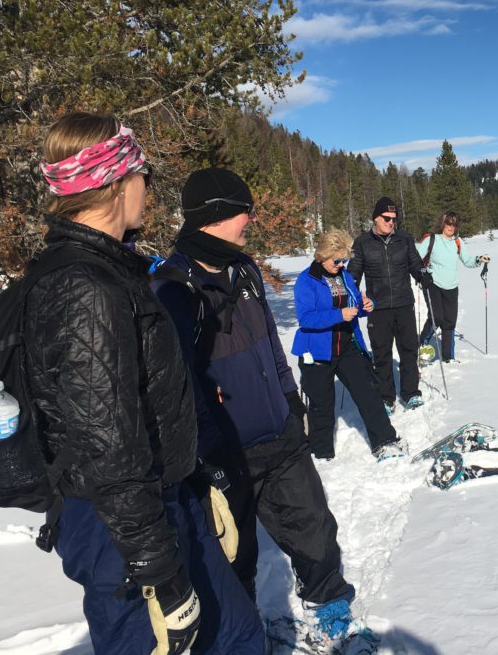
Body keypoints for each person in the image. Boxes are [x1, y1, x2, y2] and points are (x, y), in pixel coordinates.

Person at [27, 114, 266, 654]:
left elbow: (146, 404)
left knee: (240, 637)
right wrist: (157, 567)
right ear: (115, 181)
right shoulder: (86, 289)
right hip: (123, 535)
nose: (149, 188)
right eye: (144, 173)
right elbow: (104, 446)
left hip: (161, 504)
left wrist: (197, 482)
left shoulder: (112, 272)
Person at [153, 168, 362, 646]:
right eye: (244, 209)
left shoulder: (243, 268)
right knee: (233, 554)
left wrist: (291, 400)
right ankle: (243, 631)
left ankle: (327, 601)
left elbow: (269, 340)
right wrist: (209, 453)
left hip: (279, 431)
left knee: (312, 523)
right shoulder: (173, 287)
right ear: (216, 214)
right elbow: (180, 382)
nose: (251, 217)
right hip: (225, 450)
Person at [293, 229, 404, 460]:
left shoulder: (345, 276)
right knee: (321, 405)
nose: (342, 264)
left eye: (345, 260)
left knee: (368, 394)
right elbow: (306, 319)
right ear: (323, 255)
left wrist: (367, 305)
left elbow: (356, 305)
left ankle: (385, 441)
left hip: (347, 345)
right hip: (317, 351)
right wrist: (338, 315)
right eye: (337, 260)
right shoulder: (306, 280)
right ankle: (321, 453)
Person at [347, 197, 427, 412]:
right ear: (376, 217)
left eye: (394, 219)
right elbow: (352, 274)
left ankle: (411, 393)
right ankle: (386, 397)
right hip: (377, 307)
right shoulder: (362, 243)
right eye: (387, 218)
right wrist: (351, 294)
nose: (391, 222)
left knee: (409, 350)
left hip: (403, 303)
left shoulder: (404, 239)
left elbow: (415, 264)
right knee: (381, 354)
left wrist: (422, 275)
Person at [416, 211, 491, 362]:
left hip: (452, 286)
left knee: (449, 322)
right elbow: (415, 258)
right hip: (433, 284)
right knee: (437, 317)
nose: (451, 227)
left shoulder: (458, 242)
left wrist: (478, 259)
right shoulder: (432, 239)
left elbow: (467, 260)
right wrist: (423, 273)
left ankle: (448, 358)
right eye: (448, 223)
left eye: (454, 224)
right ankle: (422, 343)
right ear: (442, 224)